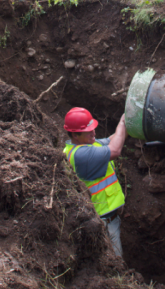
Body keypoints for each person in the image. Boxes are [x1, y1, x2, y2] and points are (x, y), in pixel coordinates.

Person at [63, 107, 127, 257]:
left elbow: (113, 139)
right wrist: (122, 123)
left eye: (93, 128)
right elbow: (115, 150)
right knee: (114, 265)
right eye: (89, 131)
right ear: (75, 135)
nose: (94, 133)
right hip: (101, 224)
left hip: (108, 219)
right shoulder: (81, 155)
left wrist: (130, 123)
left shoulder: (86, 145)